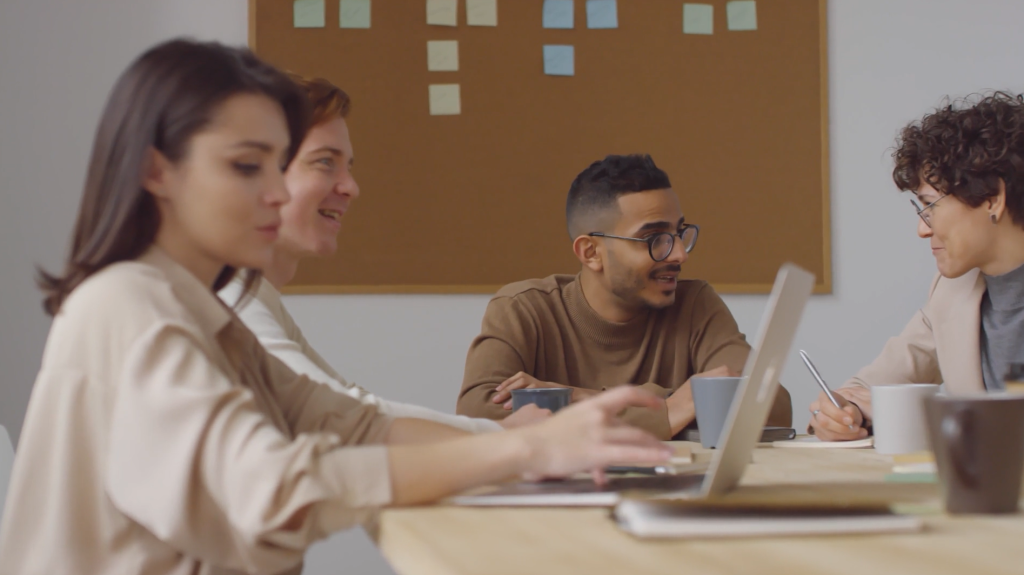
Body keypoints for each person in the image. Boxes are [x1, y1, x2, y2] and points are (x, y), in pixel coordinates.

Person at [0, 40, 672, 575]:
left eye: (279, 165)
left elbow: (353, 425)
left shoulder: (207, 317)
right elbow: (270, 491)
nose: (275, 192)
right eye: (247, 167)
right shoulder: (127, 303)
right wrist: (521, 450)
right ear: (157, 171)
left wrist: (538, 445)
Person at [219, 75, 544, 433]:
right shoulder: (226, 299)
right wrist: (504, 435)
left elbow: (348, 400)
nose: (351, 187)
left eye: (348, 167)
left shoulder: (254, 295)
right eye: (325, 162)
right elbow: (339, 414)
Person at [456, 154, 793, 440]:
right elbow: (479, 416)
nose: (679, 254)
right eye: (654, 239)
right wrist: (671, 409)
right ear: (591, 253)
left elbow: (772, 406)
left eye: (678, 233)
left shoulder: (695, 304)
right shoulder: (524, 308)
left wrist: (575, 398)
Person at [810, 92, 1024, 441]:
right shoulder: (953, 292)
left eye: (929, 205)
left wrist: (925, 421)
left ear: (992, 199)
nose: (923, 229)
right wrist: (843, 411)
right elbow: (868, 386)